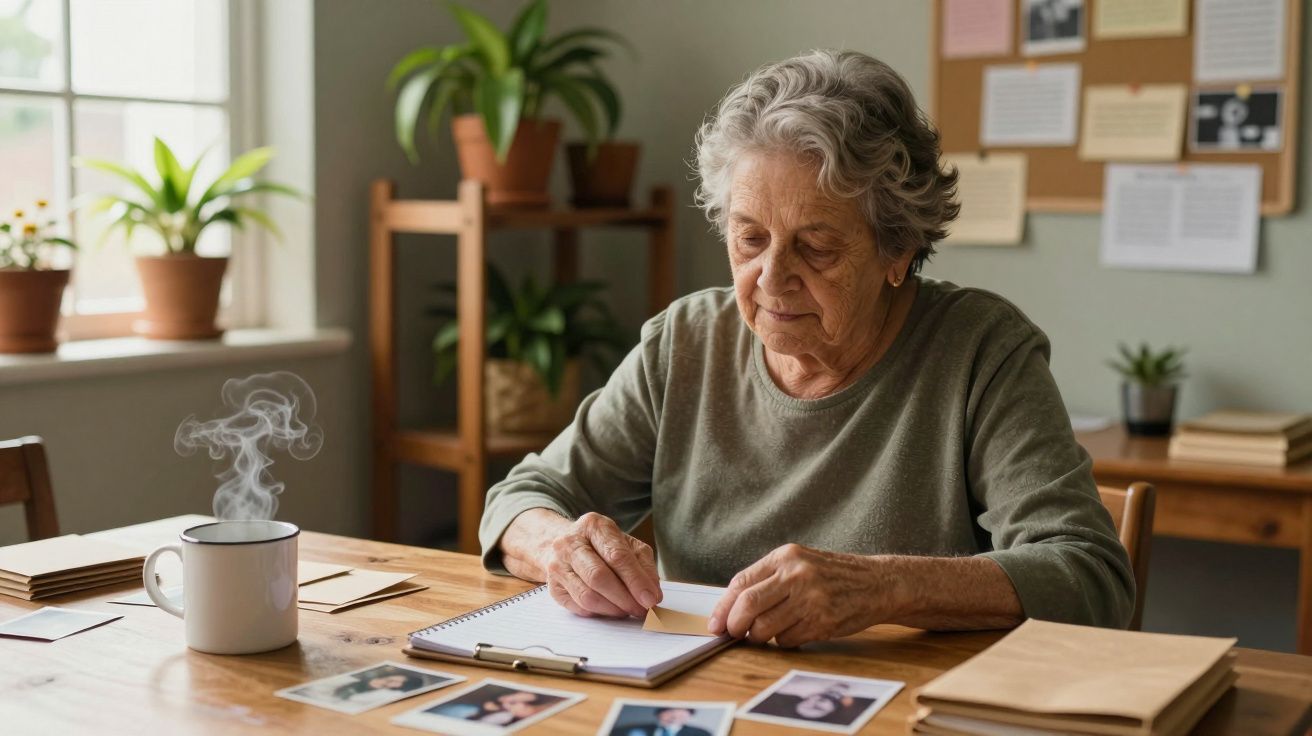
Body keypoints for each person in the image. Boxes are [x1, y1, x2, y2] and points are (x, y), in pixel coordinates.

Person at [479, 49, 1134, 647]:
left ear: (898, 249)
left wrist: (882, 589)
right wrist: (559, 546)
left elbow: (1087, 574)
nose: (770, 278)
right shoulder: (685, 344)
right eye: (749, 238)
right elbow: (522, 496)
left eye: (816, 246)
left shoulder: (980, 353)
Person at [613, 706, 713, 736]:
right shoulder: (631, 730)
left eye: (682, 713)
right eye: (670, 711)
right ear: (659, 714)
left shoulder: (701, 733)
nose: (674, 716)